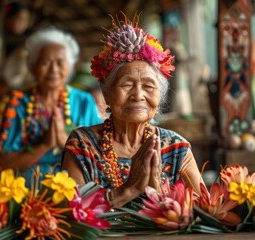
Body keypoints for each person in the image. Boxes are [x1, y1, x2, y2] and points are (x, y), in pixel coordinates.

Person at [62, 16, 203, 208]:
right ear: (107, 93)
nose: (138, 95)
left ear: (160, 96)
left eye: (148, 86)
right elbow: (72, 211)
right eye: (127, 84)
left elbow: (204, 212)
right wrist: (128, 190)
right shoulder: (82, 145)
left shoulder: (177, 149)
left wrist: (159, 195)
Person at [0, 27, 102, 186]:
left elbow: (100, 160)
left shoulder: (84, 101)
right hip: (24, 193)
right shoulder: (18, 103)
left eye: (60, 63)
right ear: (32, 67)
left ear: (70, 68)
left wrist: (64, 142)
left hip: (76, 191)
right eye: (45, 62)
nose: (53, 70)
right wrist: (44, 145)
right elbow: (5, 164)